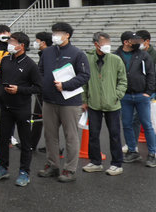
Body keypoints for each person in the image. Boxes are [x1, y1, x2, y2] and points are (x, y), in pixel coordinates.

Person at [37, 22, 90, 183]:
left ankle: (70, 169)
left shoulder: (77, 53)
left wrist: (65, 85)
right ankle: (52, 165)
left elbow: (84, 75)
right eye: (54, 32)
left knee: (71, 136)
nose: (55, 35)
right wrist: (42, 86)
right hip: (49, 100)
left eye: (59, 32)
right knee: (50, 135)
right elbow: (40, 71)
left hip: (69, 102)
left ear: (68, 35)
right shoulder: (47, 53)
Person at [0, 32, 42, 186]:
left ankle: (24, 172)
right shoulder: (5, 60)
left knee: (25, 142)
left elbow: (38, 87)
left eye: (13, 41)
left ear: (22, 45)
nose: (10, 44)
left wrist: (19, 89)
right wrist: (1, 93)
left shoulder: (30, 64)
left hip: (22, 107)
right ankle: (2, 167)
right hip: (5, 107)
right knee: (3, 139)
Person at [81, 32, 127, 176]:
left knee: (114, 134)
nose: (107, 45)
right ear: (96, 44)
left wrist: (117, 95)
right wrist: (84, 100)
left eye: (108, 42)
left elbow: (123, 80)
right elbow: (84, 81)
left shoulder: (115, 59)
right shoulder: (88, 59)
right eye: (104, 42)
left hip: (112, 104)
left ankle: (117, 163)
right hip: (93, 103)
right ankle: (95, 162)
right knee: (93, 134)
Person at [114, 31, 156, 168]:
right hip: (124, 95)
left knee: (147, 124)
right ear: (126, 42)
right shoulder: (116, 55)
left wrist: (148, 92)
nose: (138, 42)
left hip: (141, 95)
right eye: (135, 40)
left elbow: (151, 73)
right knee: (126, 123)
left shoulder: (143, 55)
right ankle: (132, 150)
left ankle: (151, 154)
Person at [136, 30, 156, 158]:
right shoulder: (136, 54)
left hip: (152, 93)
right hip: (137, 92)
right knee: (134, 120)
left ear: (147, 41)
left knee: (155, 121)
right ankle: (132, 145)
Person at [32, 31, 52, 153]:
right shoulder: (45, 54)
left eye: (37, 41)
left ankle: (32, 144)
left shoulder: (47, 55)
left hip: (44, 91)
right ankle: (32, 143)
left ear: (43, 43)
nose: (36, 43)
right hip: (44, 89)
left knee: (43, 118)